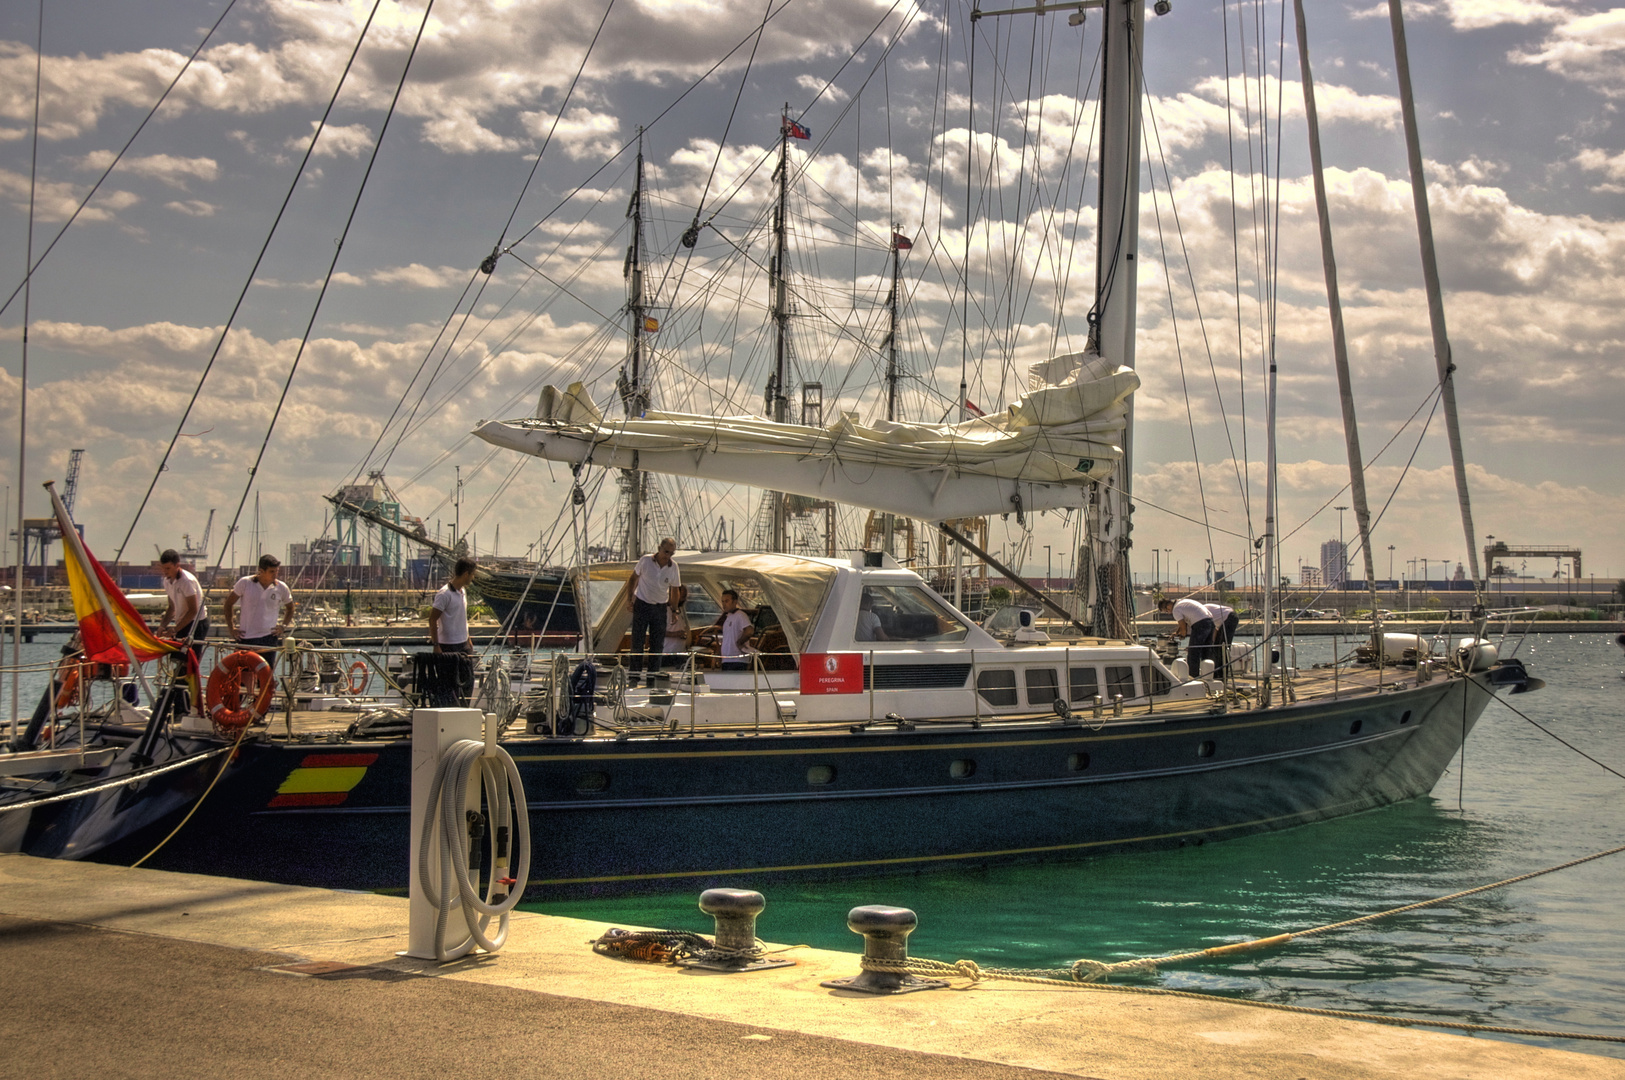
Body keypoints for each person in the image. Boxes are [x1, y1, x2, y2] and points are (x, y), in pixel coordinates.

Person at [224, 555, 294, 670]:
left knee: (266, 672)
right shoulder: (245, 583)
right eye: (272, 571)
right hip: (246, 636)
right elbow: (228, 604)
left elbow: (290, 608)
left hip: (268, 637)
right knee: (244, 672)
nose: (275, 574)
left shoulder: (281, 588)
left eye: (277, 571)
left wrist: (283, 626)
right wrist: (231, 628)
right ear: (261, 571)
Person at [627, 536, 680, 687]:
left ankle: (652, 678)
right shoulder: (645, 561)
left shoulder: (673, 567)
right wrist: (629, 599)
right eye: (666, 552)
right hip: (642, 604)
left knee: (657, 644)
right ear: (659, 548)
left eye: (671, 553)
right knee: (637, 641)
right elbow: (633, 579)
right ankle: (634, 677)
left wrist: (674, 610)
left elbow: (675, 589)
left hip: (660, 607)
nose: (668, 556)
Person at [1157, 596, 1221, 676]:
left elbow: (1183, 627)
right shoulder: (1182, 602)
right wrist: (1177, 632)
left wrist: (1182, 635)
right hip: (1210, 622)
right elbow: (1183, 623)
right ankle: (1210, 675)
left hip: (1200, 624)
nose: (1168, 613)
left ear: (1168, 605)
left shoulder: (1176, 610)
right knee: (1206, 652)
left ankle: (1193, 676)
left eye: (1167, 610)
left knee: (1193, 652)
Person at [429, 558, 477, 653]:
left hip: (463, 643)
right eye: (472, 574)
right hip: (448, 645)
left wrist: (468, 639)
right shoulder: (444, 594)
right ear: (466, 574)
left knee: (468, 668)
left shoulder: (462, 591)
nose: (473, 578)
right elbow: (432, 619)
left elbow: (462, 618)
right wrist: (436, 645)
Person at [701, 589, 756, 671]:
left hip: (737, 660)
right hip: (727, 659)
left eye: (727, 601)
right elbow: (727, 639)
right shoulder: (728, 617)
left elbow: (749, 631)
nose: (724, 604)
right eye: (722, 601)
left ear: (735, 602)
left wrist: (739, 642)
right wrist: (719, 655)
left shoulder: (740, 615)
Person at [662, 585, 692, 668]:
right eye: (682, 597)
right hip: (668, 654)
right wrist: (677, 634)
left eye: (684, 597)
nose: (683, 599)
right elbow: (658, 632)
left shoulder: (680, 610)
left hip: (680, 653)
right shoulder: (664, 611)